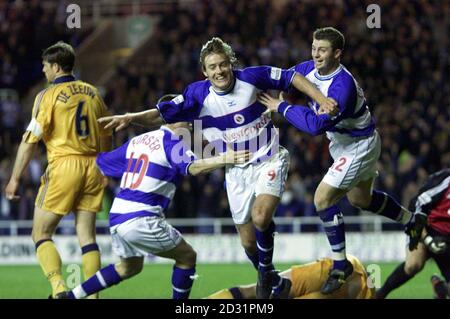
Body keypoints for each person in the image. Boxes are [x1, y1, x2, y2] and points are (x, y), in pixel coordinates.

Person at [97, 37, 337, 299]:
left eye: (223, 65)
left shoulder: (252, 78)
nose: (219, 71)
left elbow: (292, 78)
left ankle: (266, 274)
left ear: (230, 64)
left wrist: (321, 99)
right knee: (247, 241)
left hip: (269, 157)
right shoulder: (197, 95)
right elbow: (161, 114)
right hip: (235, 169)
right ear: (205, 71)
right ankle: (275, 282)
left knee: (260, 216)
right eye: (212, 67)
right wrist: (131, 118)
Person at [257, 27, 427, 294]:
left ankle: (340, 265)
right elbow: (286, 77)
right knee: (360, 200)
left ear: (337, 53)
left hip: (359, 145)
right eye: (313, 48)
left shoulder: (342, 87)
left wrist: (282, 107)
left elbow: (313, 127)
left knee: (322, 199)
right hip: (345, 143)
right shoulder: (309, 68)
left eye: (322, 50)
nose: (315, 55)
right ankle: (411, 219)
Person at [55, 106, 251, 299]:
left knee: (128, 267)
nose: (190, 125)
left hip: (118, 216)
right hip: (142, 217)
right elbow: (193, 168)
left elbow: (101, 163)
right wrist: (224, 158)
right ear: (175, 119)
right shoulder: (173, 142)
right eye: (187, 120)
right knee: (187, 257)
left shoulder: (138, 141)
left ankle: (71, 296)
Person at [4, 42, 112, 298]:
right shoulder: (93, 92)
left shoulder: (47, 96)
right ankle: (93, 295)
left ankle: (59, 288)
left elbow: (30, 140)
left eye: (45, 65)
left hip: (65, 165)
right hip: (94, 165)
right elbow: (107, 130)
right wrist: (105, 164)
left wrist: (14, 179)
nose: (43, 70)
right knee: (87, 235)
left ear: (55, 66)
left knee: (40, 233)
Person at [376, 168, 450, 299]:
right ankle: (379, 295)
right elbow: (415, 204)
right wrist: (427, 239)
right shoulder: (445, 181)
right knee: (413, 265)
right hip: (426, 226)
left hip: (447, 239)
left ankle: (441, 287)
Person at [207, 254, 374, 299]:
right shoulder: (369, 287)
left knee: (256, 292)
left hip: (337, 267)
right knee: (264, 293)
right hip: (347, 271)